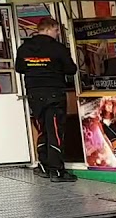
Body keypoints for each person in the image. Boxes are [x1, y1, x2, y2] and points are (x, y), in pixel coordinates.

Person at [16, 17, 79, 182]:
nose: (57, 34)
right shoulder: (57, 48)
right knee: (56, 132)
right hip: (54, 93)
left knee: (43, 130)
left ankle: (43, 166)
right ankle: (57, 171)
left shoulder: (24, 48)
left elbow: (19, 68)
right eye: (57, 30)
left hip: (34, 94)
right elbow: (71, 69)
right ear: (49, 28)